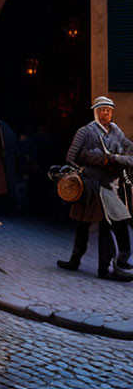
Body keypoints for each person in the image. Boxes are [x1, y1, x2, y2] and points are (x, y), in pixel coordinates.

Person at [57, 96, 133, 281]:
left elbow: (130, 156)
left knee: (107, 224)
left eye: (109, 110)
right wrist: (86, 168)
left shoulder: (116, 132)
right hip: (90, 184)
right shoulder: (85, 132)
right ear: (96, 112)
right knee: (89, 224)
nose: (106, 113)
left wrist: (110, 159)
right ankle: (88, 264)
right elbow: (71, 157)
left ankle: (104, 266)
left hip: (109, 184)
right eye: (102, 110)